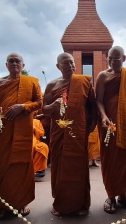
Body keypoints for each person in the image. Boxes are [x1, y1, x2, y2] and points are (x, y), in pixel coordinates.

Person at [0, 53, 42, 219]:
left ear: (23, 65)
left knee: (21, 166)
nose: (14, 63)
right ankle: (2, 205)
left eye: (17, 61)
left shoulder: (31, 81)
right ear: (6, 64)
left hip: (23, 130)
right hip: (3, 130)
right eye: (11, 61)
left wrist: (23, 107)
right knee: (2, 167)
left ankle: (22, 202)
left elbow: (40, 103)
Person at [43, 52, 97, 216]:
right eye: (66, 63)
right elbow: (44, 109)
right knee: (59, 168)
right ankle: (60, 203)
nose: (70, 66)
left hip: (79, 133)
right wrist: (53, 105)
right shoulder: (52, 85)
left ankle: (81, 204)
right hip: (59, 133)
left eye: (72, 63)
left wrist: (87, 130)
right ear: (58, 66)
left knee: (78, 169)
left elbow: (93, 108)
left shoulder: (84, 82)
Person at [96, 46, 126, 214]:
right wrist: (103, 116)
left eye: (116, 58)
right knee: (110, 161)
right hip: (108, 126)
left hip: (124, 124)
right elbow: (98, 101)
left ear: (124, 58)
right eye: (110, 58)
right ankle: (111, 196)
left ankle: (123, 196)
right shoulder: (103, 76)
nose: (112, 62)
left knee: (125, 160)